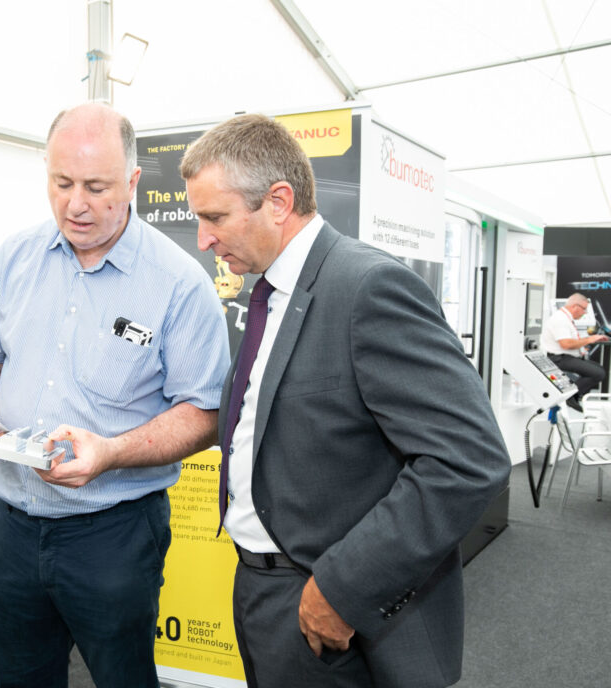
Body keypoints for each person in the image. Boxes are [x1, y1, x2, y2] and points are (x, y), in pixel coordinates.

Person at [180, 113, 511, 688]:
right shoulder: (271, 293)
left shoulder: (367, 288)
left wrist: (342, 588)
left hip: (330, 607)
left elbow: (468, 460)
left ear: (278, 202)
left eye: (215, 217)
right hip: (263, 590)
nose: (204, 238)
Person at [0, 103, 230, 688]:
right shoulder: (15, 257)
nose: (75, 204)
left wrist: (110, 452)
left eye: (96, 187)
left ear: (132, 182)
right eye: (62, 183)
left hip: (114, 536)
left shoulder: (179, 284)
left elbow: (204, 414)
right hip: (13, 527)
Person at [540, 292, 608, 411]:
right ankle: (570, 396)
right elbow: (566, 344)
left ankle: (574, 396)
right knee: (597, 373)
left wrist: (584, 344)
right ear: (575, 306)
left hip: (566, 356)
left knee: (599, 369)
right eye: (584, 309)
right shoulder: (560, 319)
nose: (585, 313)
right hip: (558, 359)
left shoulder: (565, 318)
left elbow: (570, 340)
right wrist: (589, 339)